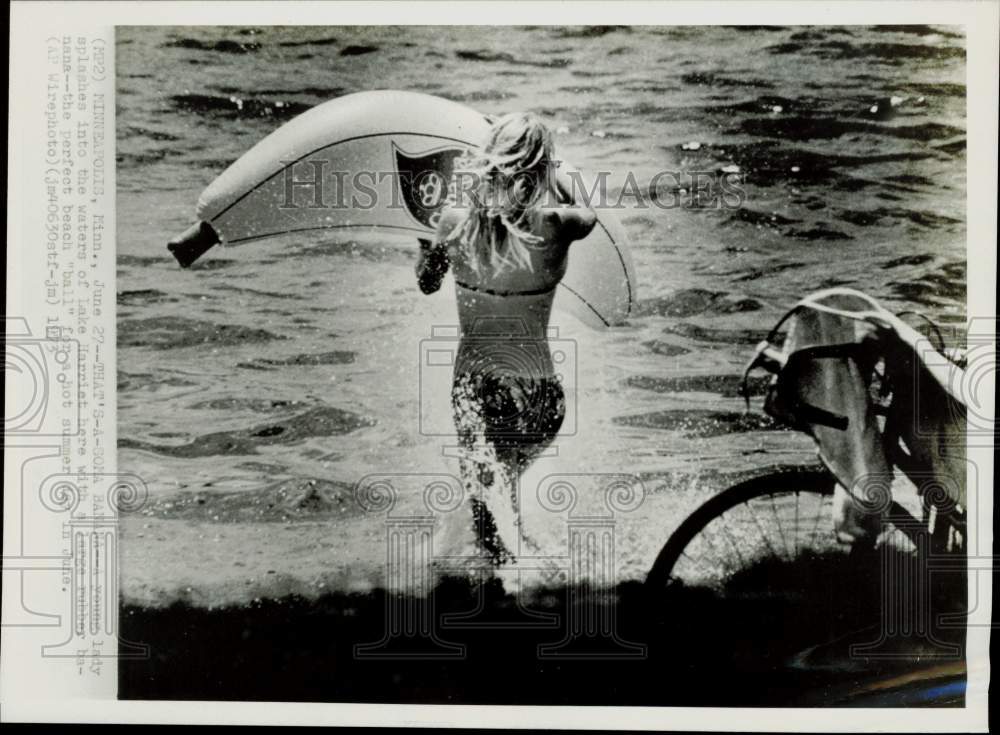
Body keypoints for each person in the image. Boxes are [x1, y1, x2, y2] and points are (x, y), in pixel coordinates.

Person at [416, 112, 596, 566]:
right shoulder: (559, 224)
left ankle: (511, 586)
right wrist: (558, 172)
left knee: (488, 511)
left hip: (480, 389)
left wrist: (425, 256)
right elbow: (591, 212)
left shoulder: (455, 219)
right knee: (503, 496)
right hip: (542, 395)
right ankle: (532, 577)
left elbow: (427, 282)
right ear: (542, 169)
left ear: (491, 161)